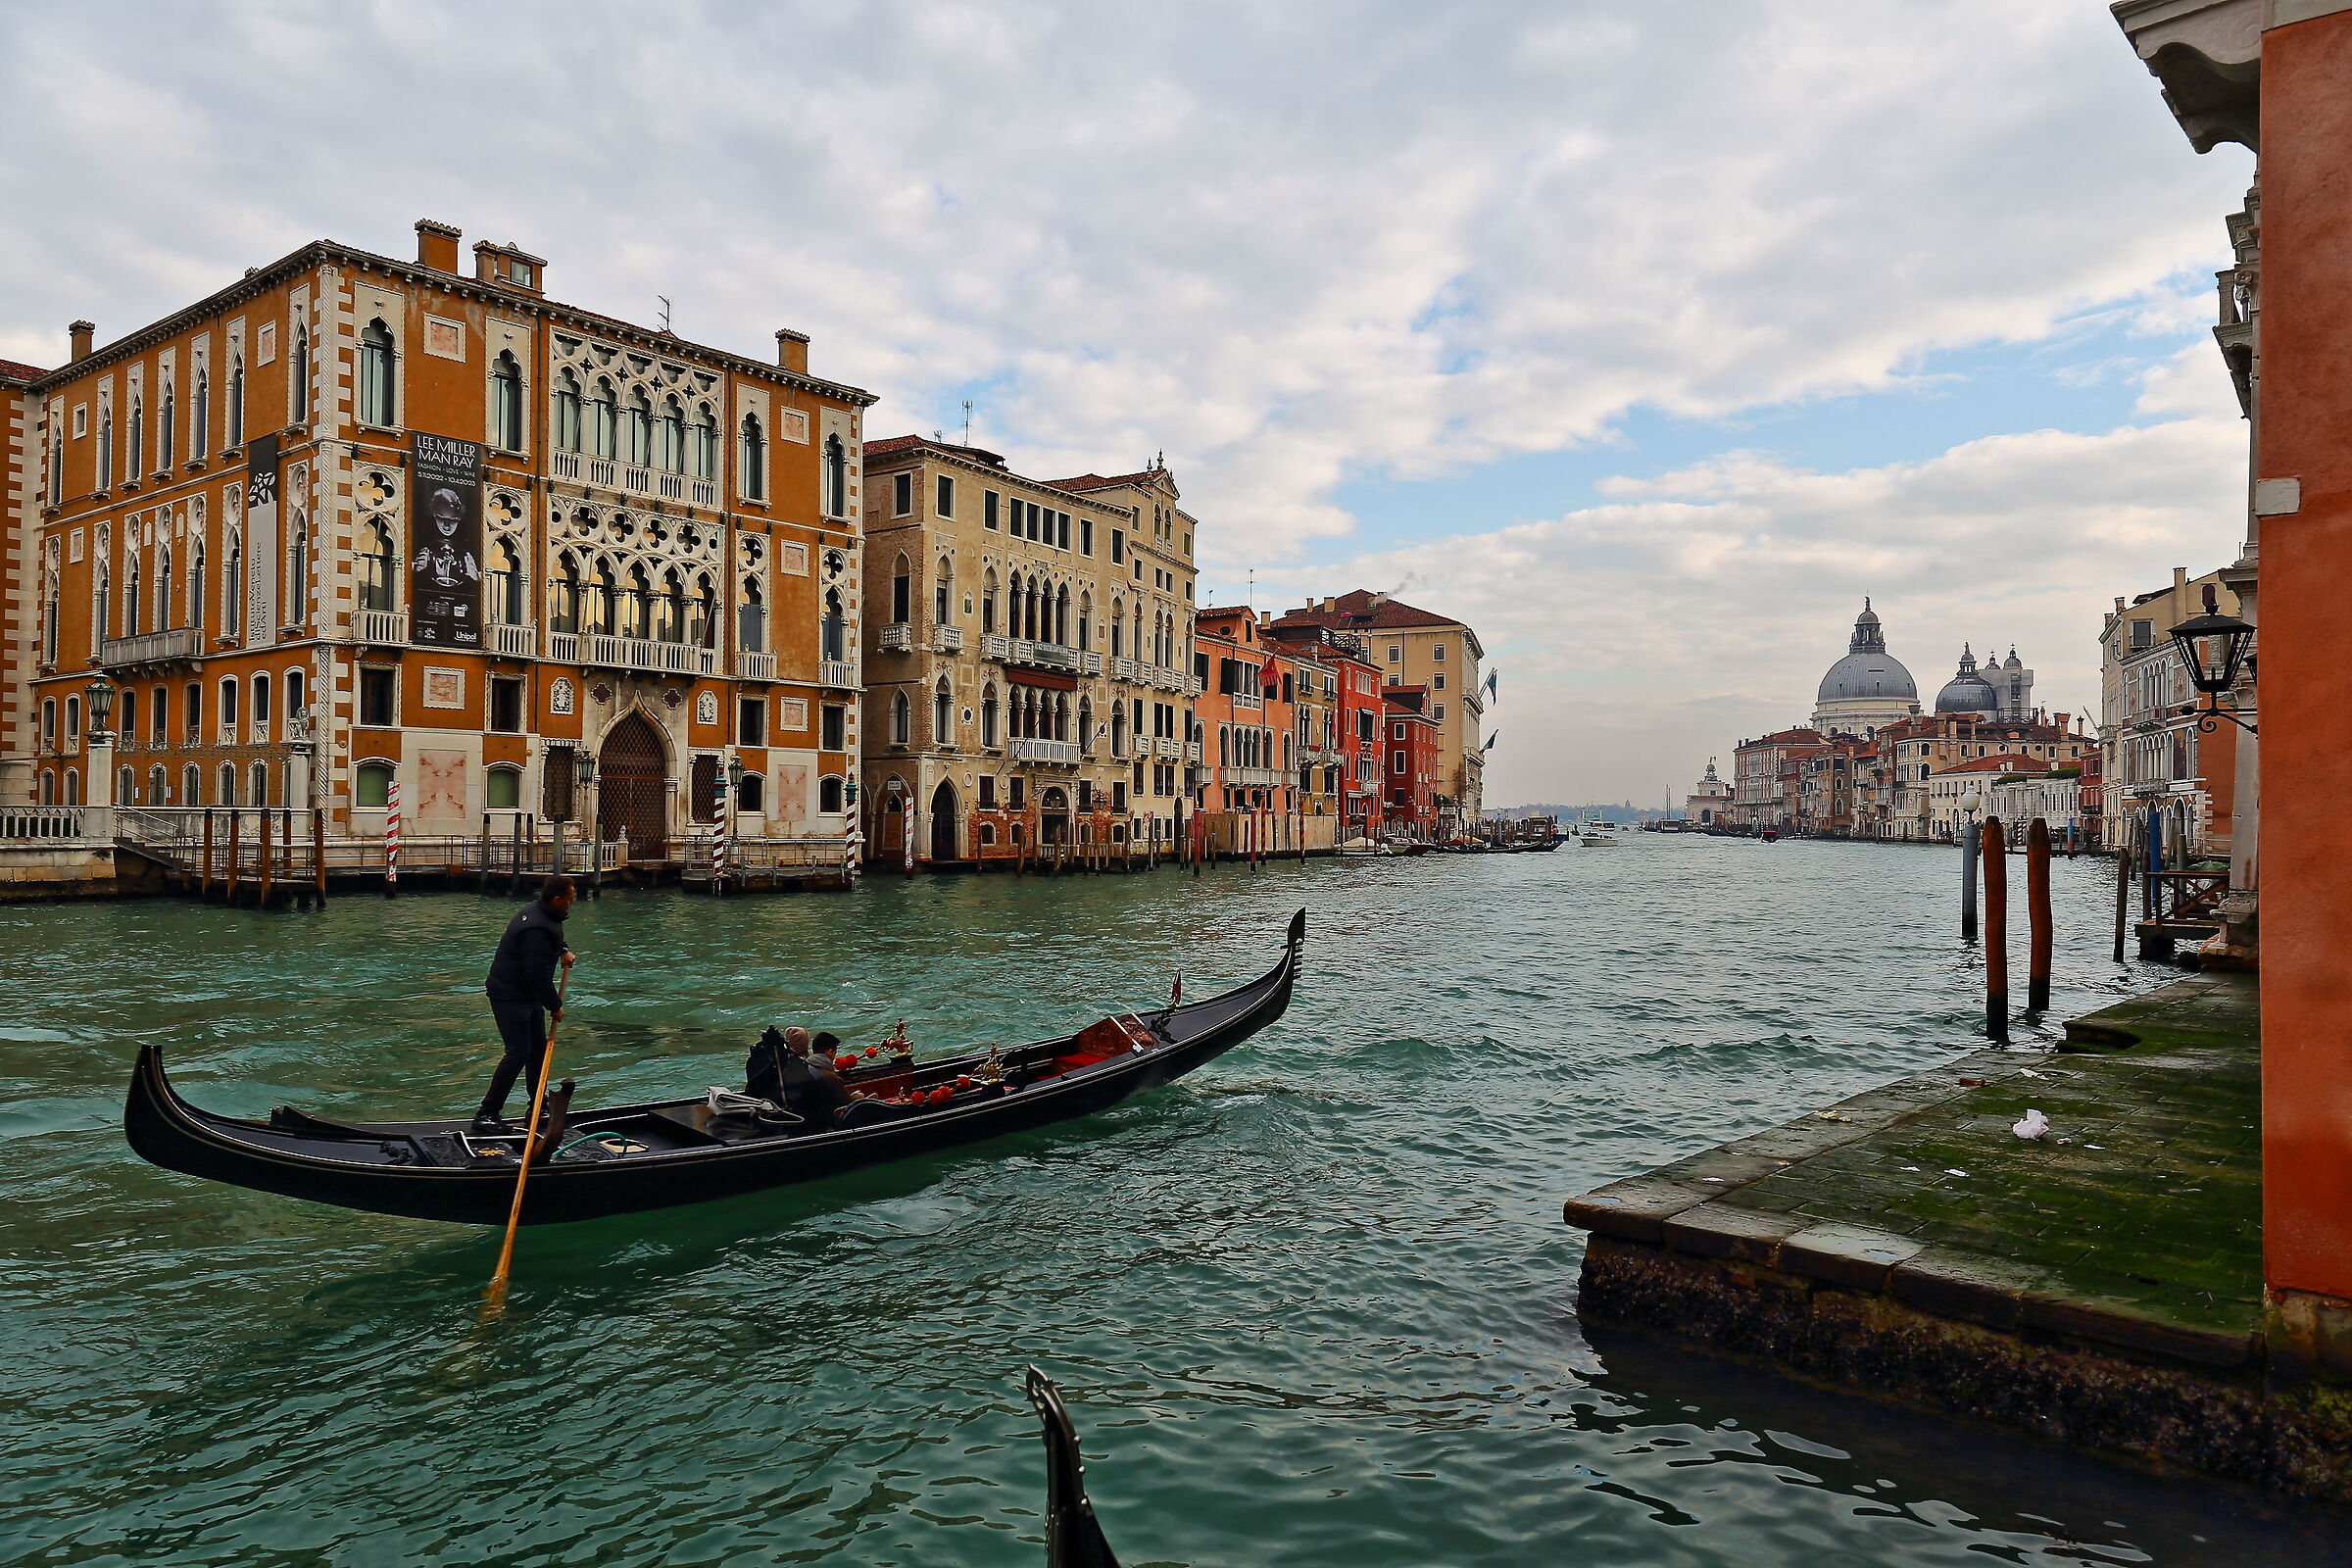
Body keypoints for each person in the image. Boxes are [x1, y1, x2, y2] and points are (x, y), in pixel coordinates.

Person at [473, 875, 577, 1133]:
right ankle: (487, 1114)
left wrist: (562, 949)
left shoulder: (544, 913)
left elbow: (549, 941)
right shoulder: (536, 929)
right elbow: (536, 974)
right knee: (518, 1052)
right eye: (570, 898)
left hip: (526, 994)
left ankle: (538, 1106)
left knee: (538, 1051)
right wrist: (554, 1005)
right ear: (557, 899)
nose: (572, 902)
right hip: (510, 996)